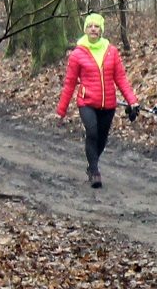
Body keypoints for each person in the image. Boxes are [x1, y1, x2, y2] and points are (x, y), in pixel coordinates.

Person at [56, 13, 139, 189]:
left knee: (102, 137)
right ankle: (94, 171)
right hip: (87, 102)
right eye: (90, 26)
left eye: (96, 26)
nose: (93, 29)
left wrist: (132, 101)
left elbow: (121, 78)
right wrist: (62, 110)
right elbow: (70, 83)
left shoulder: (111, 51)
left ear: (101, 30)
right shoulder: (77, 54)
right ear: (85, 29)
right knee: (92, 132)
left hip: (108, 103)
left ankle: (91, 163)